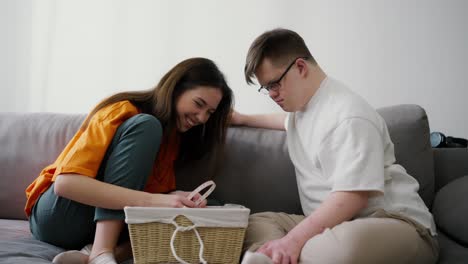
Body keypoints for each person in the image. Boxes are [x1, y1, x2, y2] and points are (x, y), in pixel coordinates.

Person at [231, 28, 439, 264]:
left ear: (300, 67)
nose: (272, 94)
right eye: (266, 88)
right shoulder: (303, 109)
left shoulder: (349, 116)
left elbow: (353, 197)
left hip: (395, 224)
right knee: (254, 224)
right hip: (334, 227)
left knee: (339, 249)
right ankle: (282, 255)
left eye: (274, 84)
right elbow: (285, 122)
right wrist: (242, 119)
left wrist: (293, 241)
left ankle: (278, 255)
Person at [25, 57, 234, 264]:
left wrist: (173, 198)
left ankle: (101, 253)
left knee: (212, 208)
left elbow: (134, 188)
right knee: (147, 125)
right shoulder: (127, 113)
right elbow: (66, 184)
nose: (202, 118)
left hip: (92, 226)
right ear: (175, 89)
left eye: (210, 112)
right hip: (59, 213)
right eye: (199, 104)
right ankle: (101, 252)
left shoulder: (173, 139)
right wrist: (159, 200)